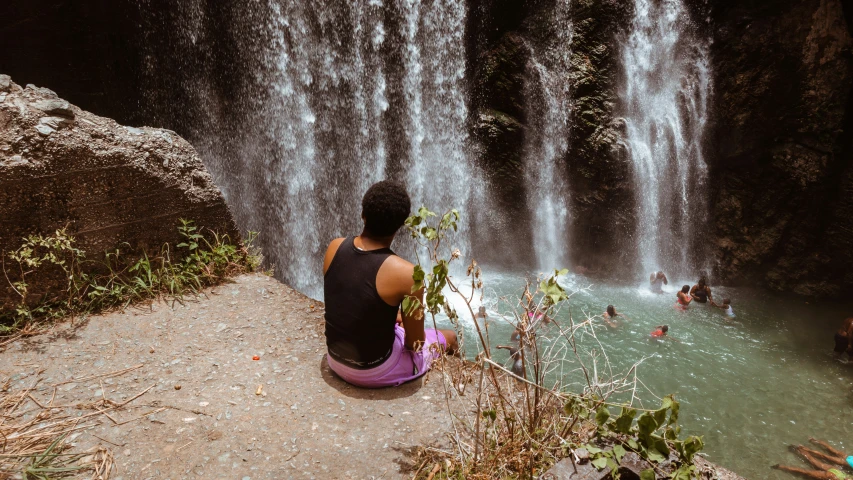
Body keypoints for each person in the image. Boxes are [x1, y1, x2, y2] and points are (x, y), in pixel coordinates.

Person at [323, 180, 458, 388]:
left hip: (334, 360)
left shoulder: (334, 247)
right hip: (374, 371)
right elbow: (415, 344)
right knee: (449, 337)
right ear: (401, 225)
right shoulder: (408, 274)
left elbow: (351, 300)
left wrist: (392, 317)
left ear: (363, 215)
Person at [773, 439, 853, 480]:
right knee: (805, 471)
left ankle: (798, 449)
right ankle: (782, 466)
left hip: (836, 471)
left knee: (812, 460)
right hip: (831, 475)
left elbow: (847, 478)